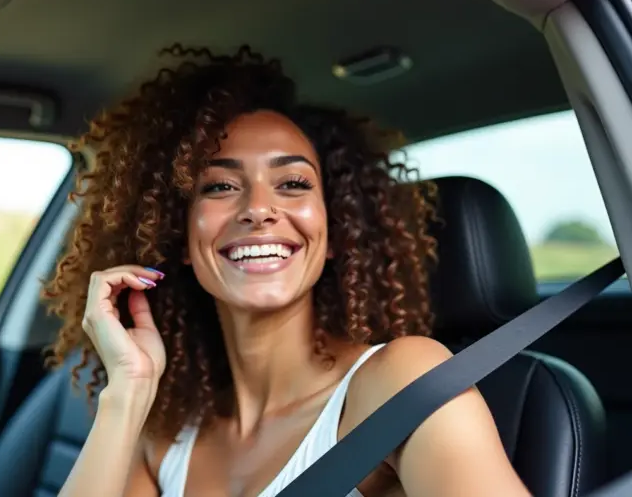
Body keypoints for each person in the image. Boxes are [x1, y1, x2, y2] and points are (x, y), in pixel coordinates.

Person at [43, 45, 530, 497]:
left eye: (293, 182)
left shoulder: (400, 382)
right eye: (219, 186)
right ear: (180, 237)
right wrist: (126, 391)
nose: (259, 209)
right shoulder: (167, 434)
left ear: (336, 230)